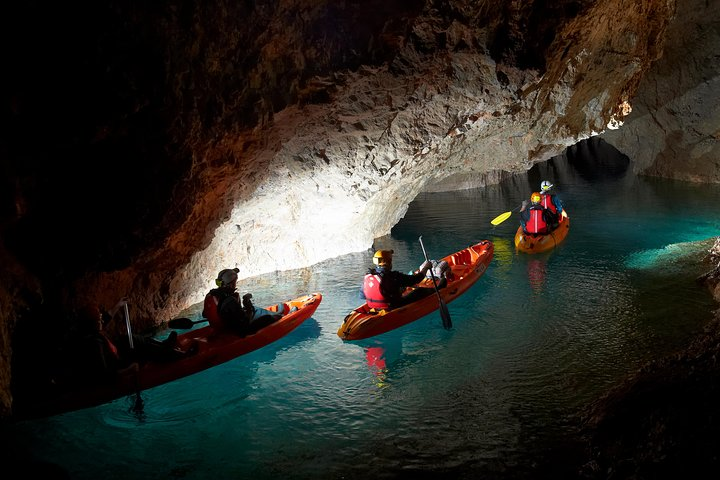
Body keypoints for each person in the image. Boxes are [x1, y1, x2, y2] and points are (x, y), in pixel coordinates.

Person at [202, 267, 283, 335]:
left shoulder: (211, 295)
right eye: (235, 282)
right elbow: (245, 322)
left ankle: (277, 313)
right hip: (236, 332)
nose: (235, 284)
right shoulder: (230, 300)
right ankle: (280, 317)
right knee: (267, 318)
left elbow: (205, 314)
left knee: (252, 310)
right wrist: (247, 305)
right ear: (231, 283)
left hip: (220, 329)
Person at [361, 249, 439, 310]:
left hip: (374, 307)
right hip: (392, 306)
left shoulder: (368, 275)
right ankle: (439, 288)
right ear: (389, 262)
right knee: (420, 291)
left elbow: (363, 295)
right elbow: (416, 279)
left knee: (401, 288)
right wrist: (426, 267)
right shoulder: (394, 276)